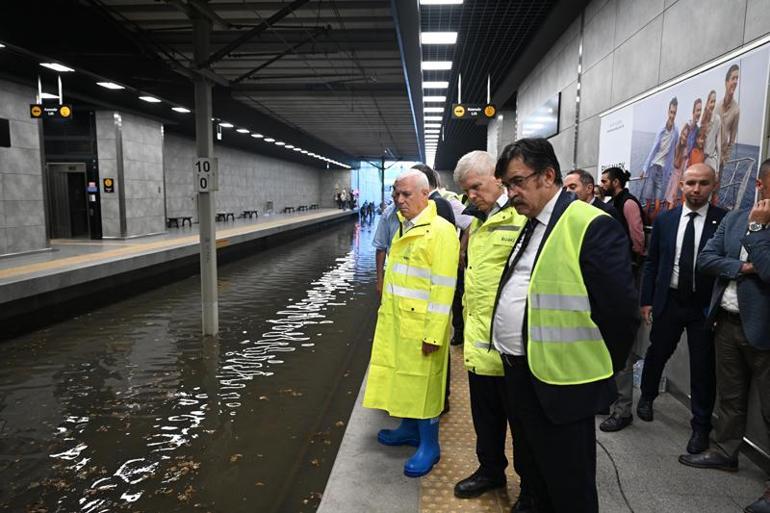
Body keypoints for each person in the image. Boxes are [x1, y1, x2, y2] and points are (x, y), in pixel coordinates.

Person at [492, 138, 639, 513]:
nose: (512, 193)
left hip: (562, 382)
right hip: (521, 371)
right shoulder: (532, 222)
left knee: (568, 481)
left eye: (517, 182)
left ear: (548, 175)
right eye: (507, 185)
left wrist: (597, 371)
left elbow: (620, 313)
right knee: (533, 466)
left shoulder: (590, 224)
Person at [682, 159, 770, 513]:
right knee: (730, 397)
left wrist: (757, 234)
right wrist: (744, 266)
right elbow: (706, 259)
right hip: (728, 322)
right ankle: (724, 451)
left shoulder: (751, 225)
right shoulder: (734, 218)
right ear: (761, 186)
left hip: (764, 331)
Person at [362, 170, 459, 478]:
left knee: (426, 386)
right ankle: (408, 427)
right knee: (402, 379)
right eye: (396, 194)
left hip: (422, 328)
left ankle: (430, 444)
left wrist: (434, 333)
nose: (398, 200)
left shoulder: (440, 232)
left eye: (405, 195)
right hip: (398, 322)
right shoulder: (404, 227)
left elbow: (444, 287)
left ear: (425, 194)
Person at [451, 151, 530, 503]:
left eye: (476, 187)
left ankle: (530, 488)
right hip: (480, 342)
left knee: (524, 426)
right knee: (485, 416)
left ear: (498, 178)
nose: (471, 196)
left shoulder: (522, 218)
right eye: (467, 191)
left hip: (513, 347)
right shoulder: (479, 221)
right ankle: (490, 470)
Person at [633, 164, 726, 454]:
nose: (696, 189)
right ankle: (647, 396)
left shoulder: (723, 221)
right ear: (681, 186)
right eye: (691, 183)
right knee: (657, 352)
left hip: (704, 305)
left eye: (703, 183)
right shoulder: (666, 220)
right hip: (670, 299)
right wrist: (646, 300)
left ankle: (700, 426)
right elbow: (652, 262)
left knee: (702, 366)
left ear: (714, 186)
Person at [639, 97, 679, 216]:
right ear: (668, 112)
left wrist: (673, 170)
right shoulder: (661, 129)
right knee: (647, 205)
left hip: (662, 171)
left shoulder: (676, 131)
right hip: (653, 168)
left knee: (657, 208)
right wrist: (644, 169)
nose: (672, 115)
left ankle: (652, 230)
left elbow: (674, 151)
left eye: (675, 113)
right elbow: (653, 150)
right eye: (671, 112)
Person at [600, 167, 645, 264]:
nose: (601, 185)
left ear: (615, 182)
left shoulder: (628, 202)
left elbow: (636, 231)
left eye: (604, 181)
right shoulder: (613, 202)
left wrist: (636, 254)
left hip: (628, 259)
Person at [372, 188, 400, 296]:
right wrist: (379, 280)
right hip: (393, 275)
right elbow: (380, 247)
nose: (394, 196)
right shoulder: (388, 213)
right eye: (395, 194)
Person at [663, 123, 693, 209]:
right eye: (683, 134)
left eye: (686, 136)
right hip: (672, 178)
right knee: (667, 202)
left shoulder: (686, 150)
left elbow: (683, 169)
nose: (684, 137)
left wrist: (681, 183)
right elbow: (673, 163)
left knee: (672, 202)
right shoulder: (678, 146)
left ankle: (668, 219)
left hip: (678, 180)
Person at [717, 64, 740, 171]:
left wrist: (724, 160)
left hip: (720, 162)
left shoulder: (736, 110)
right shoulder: (716, 107)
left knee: (716, 188)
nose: (735, 82)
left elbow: (732, 140)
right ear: (726, 83)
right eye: (733, 78)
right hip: (709, 159)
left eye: (737, 79)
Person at [701, 90, 722, 175]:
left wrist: (717, 169)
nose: (713, 104)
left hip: (711, 160)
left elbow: (718, 144)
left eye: (714, 101)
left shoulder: (717, 119)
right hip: (701, 160)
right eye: (711, 102)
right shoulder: (703, 120)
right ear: (707, 103)